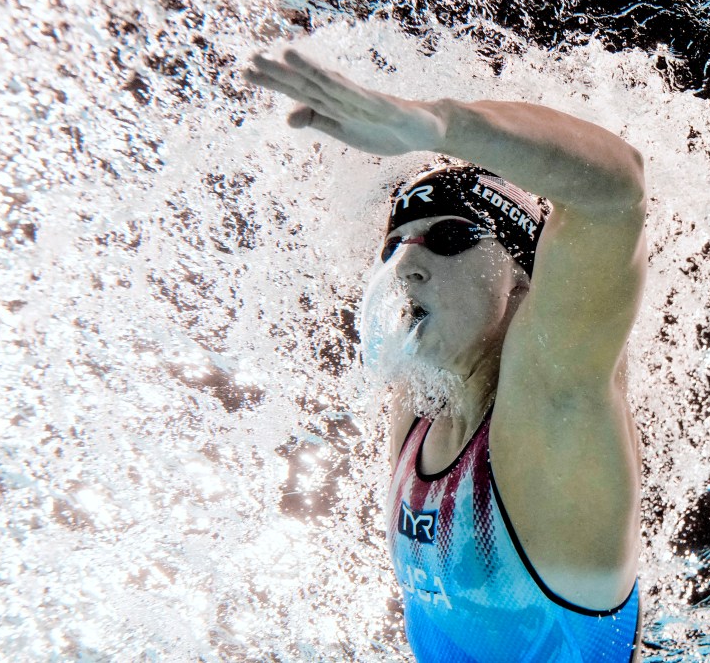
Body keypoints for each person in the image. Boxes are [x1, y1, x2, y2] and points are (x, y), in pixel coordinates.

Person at [244, 49, 648, 662]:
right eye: (395, 248)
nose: (406, 265)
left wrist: (438, 125)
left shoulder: (554, 412)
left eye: (451, 237)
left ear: (524, 276)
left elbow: (615, 192)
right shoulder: (423, 397)